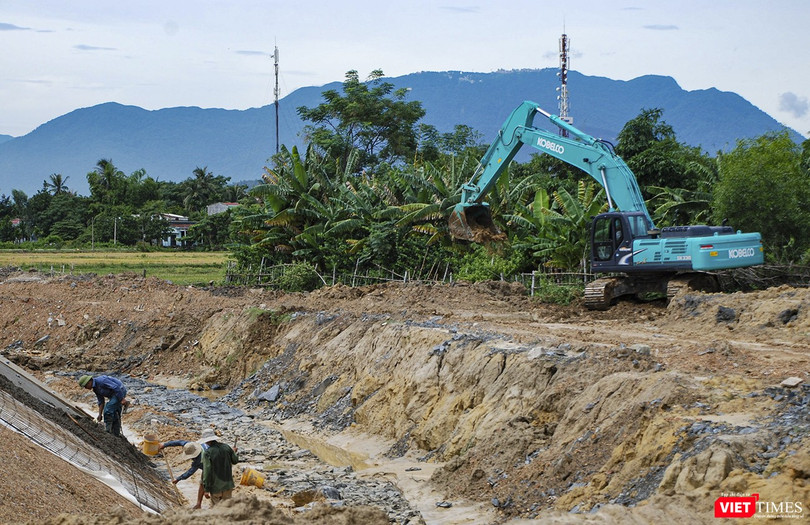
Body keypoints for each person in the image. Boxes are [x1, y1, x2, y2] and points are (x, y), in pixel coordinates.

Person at [159, 439, 209, 509]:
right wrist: (164, 445)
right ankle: (198, 504)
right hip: (208, 462)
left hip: (213, 466)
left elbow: (190, 472)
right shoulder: (189, 445)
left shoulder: (198, 461)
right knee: (202, 484)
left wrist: (178, 479)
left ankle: (216, 505)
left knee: (209, 485)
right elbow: (178, 442)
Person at [199, 428, 239, 505]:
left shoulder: (207, 453)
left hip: (216, 488)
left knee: (217, 511)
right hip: (228, 485)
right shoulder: (227, 447)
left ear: (207, 441)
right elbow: (235, 461)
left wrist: (206, 489)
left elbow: (207, 472)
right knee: (227, 508)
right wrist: (234, 452)